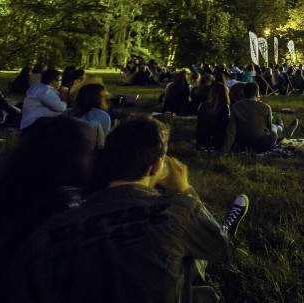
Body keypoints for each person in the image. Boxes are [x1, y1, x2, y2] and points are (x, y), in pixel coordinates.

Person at [12, 116, 249, 302]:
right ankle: (225, 225)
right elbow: (220, 248)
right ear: (157, 166)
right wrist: (185, 191)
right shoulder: (176, 211)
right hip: (181, 257)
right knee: (188, 250)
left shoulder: (49, 231)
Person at [0, 116, 95, 301]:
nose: (92, 159)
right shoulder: (63, 210)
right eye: (88, 151)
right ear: (70, 155)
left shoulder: (3, 197)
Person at [225, 82, 297, 153]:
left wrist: (224, 151)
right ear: (257, 93)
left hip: (244, 144)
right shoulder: (265, 107)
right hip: (264, 144)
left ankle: (282, 128)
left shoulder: (236, 107)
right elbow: (268, 127)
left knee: (272, 129)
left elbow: (231, 131)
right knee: (274, 128)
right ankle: (283, 128)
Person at [65, 83, 112, 148]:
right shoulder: (103, 116)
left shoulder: (67, 112)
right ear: (99, 98)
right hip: (90, 152)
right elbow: (103, 141)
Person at [196, 82, 231, 151]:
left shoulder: (203, 105)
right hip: (216, 141)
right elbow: (225, 125)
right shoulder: (224, 107)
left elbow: (199, 123)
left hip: (201, 139)